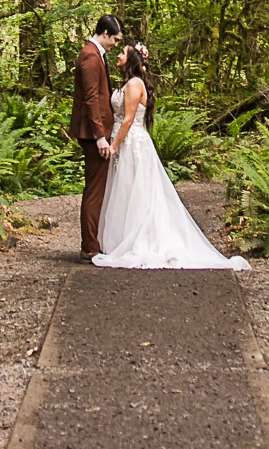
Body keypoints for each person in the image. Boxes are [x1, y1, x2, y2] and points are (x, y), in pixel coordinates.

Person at [93, 42, 249, 270]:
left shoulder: (135, 84)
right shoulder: (127, 83)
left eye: (122, 53)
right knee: (123, 189)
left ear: (132, 59)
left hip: (132, 143)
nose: (118, 55)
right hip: (125, 140)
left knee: (136, 190)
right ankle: (119, 239)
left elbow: (128, 119)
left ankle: (140, 239)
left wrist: (114, 145)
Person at [70, 14, 121, 259]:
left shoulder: (96, 54)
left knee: (97, 188)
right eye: (115, 39)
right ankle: (89, 247)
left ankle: (93, 243)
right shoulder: (90, 56)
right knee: (94, 190)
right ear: (104, 33)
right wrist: (100, 136)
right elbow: (91, 99)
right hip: (93, 136)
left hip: (96, 133)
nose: (117, 44)